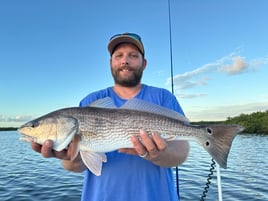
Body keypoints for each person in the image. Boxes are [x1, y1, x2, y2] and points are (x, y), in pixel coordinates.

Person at [31, 32, 190, 201]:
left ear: (144, 64)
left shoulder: (163, 97)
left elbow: (182, 151)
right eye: (118, 55)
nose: (125, 61)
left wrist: (158, 155)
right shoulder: (90, 101)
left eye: (133, 55)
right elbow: (76, 165)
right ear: (110, 63)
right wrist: (73, 157)